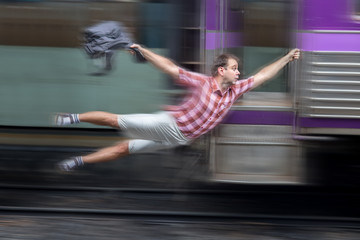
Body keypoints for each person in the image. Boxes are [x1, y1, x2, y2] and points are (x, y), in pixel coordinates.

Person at [56, 44, 300, 171]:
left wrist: (287, 58)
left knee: (122, 149)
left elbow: (264, 75)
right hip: (167, 125)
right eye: (234, 68)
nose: (239, 72)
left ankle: (77, 162)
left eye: (239, 69)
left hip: (177, 139)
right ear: (221, 70)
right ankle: (71, 118)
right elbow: (169, 67)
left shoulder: (236, 91)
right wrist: (142, 50)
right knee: (115, 121)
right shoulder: (202, 83)